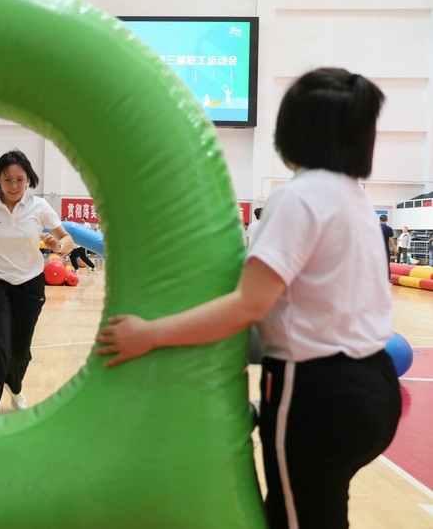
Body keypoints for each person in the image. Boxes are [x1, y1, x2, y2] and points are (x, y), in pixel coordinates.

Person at [95, 68, 400, 528]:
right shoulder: (354, 199)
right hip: (375, 387)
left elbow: (248, 305)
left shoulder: (300, 197)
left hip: (317, 394)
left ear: (296, 130)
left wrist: (150, 334)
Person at [0, 149, 71, 415]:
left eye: (20, 180)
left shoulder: (40, 207)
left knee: (20, 351)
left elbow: (67, 239)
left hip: (30, 284)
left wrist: (57, 246)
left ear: (28, 178)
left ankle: (15, 387)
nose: (14, 186)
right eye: (7, 180)